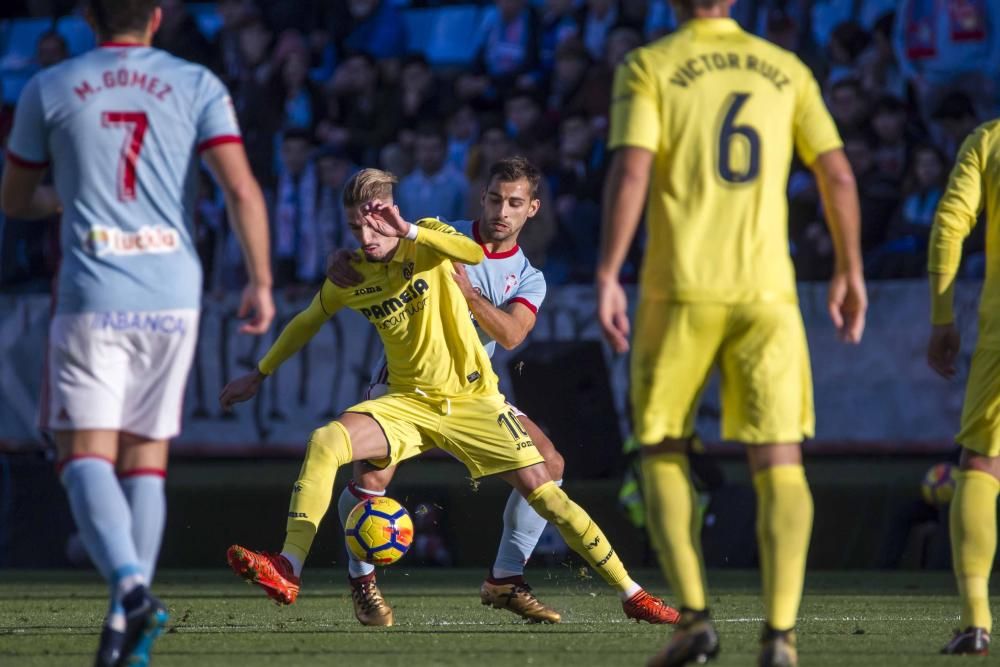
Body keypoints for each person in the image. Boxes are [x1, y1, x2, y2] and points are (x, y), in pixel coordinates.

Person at [222, 167, 678, 629]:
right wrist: (260, 373)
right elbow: (306, 319)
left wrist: (421, 245)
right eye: (495, 199)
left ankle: (587, 587)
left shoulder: (482, 258)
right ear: (482, 198)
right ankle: (305, 570)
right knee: (346, 459)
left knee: (549, 476)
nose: (502, 211)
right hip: (404, 393)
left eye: (514, 203)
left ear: (532, 210)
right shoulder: (416, 240)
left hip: (473, 395)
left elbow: (508, 325)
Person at [0, 1, 275, 665]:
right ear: (155, 18)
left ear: (90, 19)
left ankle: (129, 590)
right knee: (146, 458)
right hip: (173, 291)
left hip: (96, 290)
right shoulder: (196, 82)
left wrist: (59, 199)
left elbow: (14, 198)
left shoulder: (51, 85)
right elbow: (240, 189)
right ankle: (125, 630)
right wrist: (261, 280)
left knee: (82, 456)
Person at [595, 0, 868, 665]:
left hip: (680, 287)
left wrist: (607, 270)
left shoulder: (650, 64)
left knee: (660, 444)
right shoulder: (786, 68)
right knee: (779, 459)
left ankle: (693, 618)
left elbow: (632, 170)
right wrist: (849, 267)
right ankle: (780, 635)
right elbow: (836, 172)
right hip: (767, 291)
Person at [926, 117, 1000, 657]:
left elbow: (951, 223)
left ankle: (976, 620)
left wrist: (942, 316)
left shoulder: (988, 139)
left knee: (980, 463)